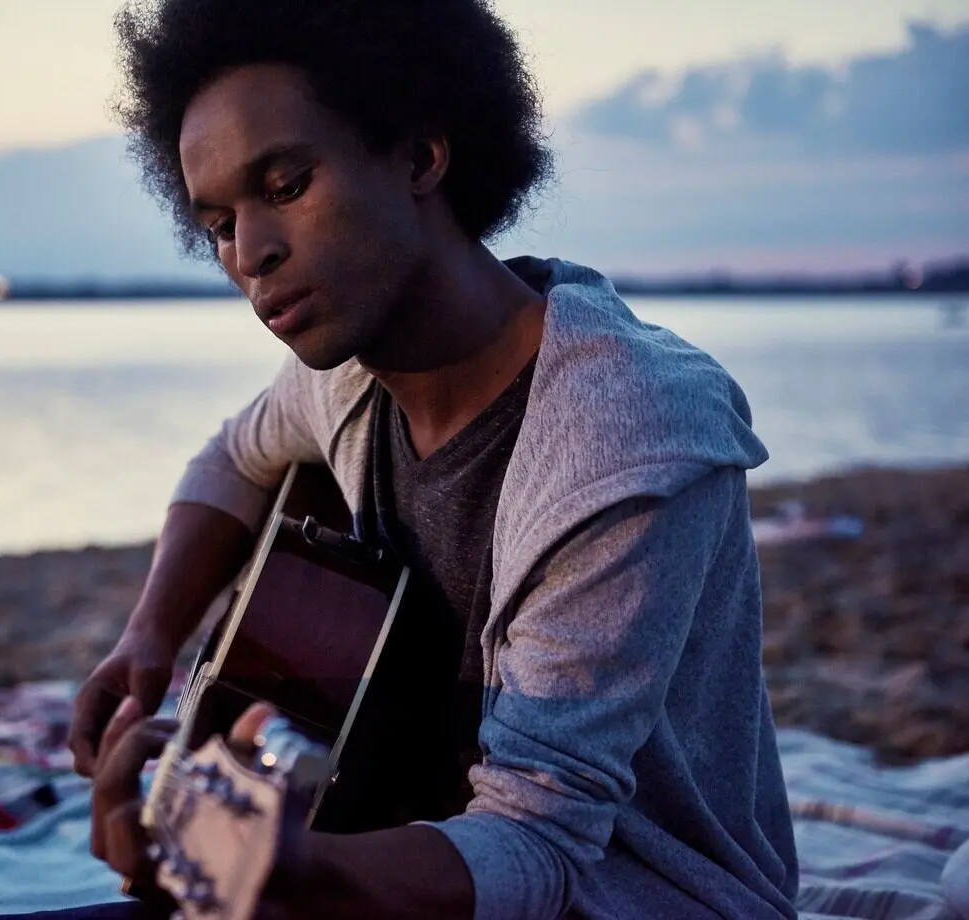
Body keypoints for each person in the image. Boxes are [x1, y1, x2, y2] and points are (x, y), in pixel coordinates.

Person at [54, 1, 801, 918]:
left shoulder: (625, 431)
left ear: (418, 155)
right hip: (403, 854)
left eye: (286, 185)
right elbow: (232, 458)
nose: (252, 253)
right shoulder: (347, 377)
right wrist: (150, 638)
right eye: (217, 223)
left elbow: (538, 838)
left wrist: (291, 874)